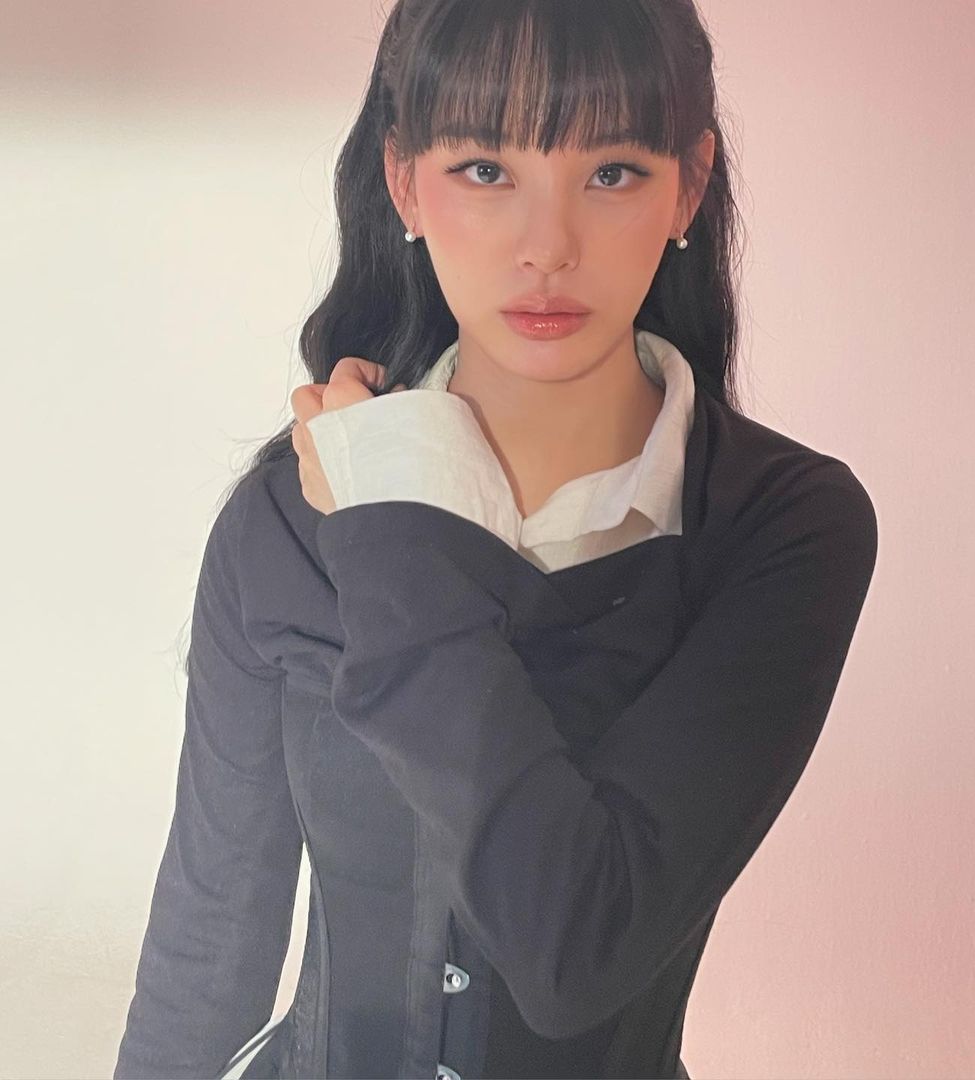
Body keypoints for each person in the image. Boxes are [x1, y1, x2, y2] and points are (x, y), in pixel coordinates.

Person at [113, 1, 878, 1078]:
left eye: (611, 172)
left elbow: (575, 950)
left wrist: (390, 525)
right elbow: (206, 947)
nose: (547, 247)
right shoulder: (285, 515)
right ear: (404, 182)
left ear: (688, 186)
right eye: (484, 169)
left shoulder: (781, 526)